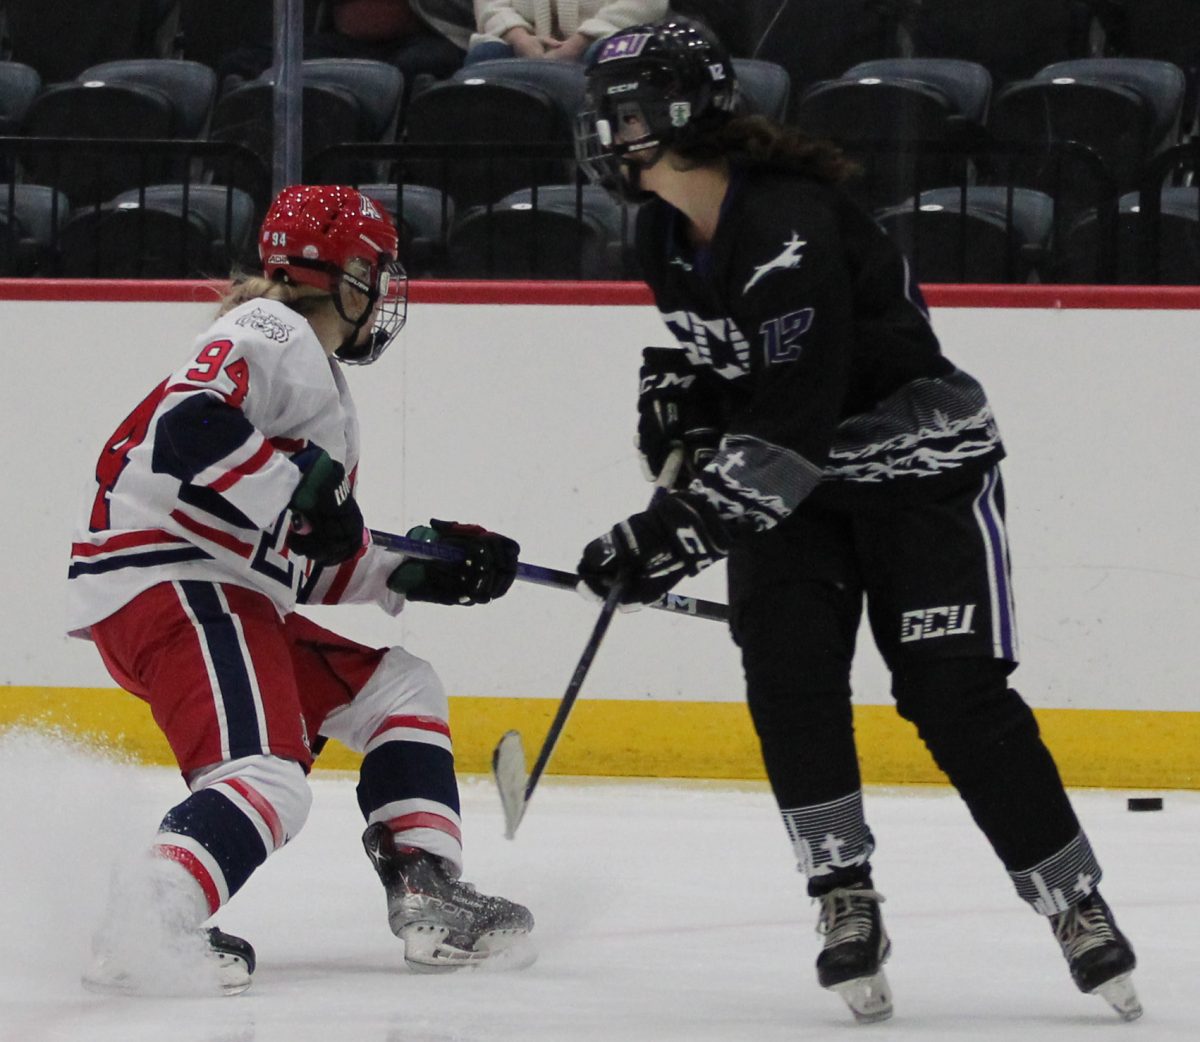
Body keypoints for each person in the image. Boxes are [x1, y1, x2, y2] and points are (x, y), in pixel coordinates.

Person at [572, 18, 1141, 1025]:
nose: (606, 133)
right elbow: (743, 380)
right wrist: (691, 407)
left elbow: (792, 412)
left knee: (951, 694)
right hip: (798, 491)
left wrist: (670, 530)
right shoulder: (660, 232)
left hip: (920, 472)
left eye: (622, 113)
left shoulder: (787, 222)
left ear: (679, 113)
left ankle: (1073, 901)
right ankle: (843, 894)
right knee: (788, 680)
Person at [66, 184, 534, 995]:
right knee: (265, 776)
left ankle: (428, 891)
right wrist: (297, 496)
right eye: (377, 270)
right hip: (173, 585)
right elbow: (189, 428)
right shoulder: (269, 327)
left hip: (211, 587)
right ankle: (146, 924)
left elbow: (301, 549)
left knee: (399, 689)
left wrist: (412, 568)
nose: (383, 291)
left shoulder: (304, 375)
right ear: (348, 272)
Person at [464, 0, 668, 65]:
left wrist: (580, 41)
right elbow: (490, 5)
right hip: (525, 40)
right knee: (485, 56)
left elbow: (647, 3)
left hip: (603, 36)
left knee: (607, 57)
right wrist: (519, 37)